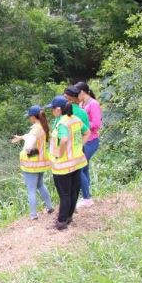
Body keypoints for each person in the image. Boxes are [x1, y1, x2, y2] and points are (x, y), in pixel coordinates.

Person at [46, 96, 89, 230]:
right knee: (73, 190)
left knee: (64, 193)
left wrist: (60, 153)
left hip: (63, 164)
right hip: (76, 162)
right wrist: (79, 145)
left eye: (52, 109)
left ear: (58, 109)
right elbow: (87, 132)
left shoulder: (63, 123)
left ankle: (62, 221)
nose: (52, 111)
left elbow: (64, 140)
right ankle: (69, 216)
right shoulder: (75, 119)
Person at [12, 105, 54, 220]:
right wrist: (22, 137)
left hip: (31, 165)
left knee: (31, 189)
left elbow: (29, 146)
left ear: (33, 117)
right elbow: (40, 139)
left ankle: (33, 215)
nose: (29, 118)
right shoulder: (44, 126)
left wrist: (27, 150)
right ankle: (50, 207)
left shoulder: (35, 129)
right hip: (41, 163)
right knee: (40, 185)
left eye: (29, 116)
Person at [74, 81, 102, 207]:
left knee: (78, 168)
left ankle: (87, 198)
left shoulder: (93, 104)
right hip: (82, 141)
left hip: (91, 140)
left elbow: (96, 124)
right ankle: (86, 195)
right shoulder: (81, 104)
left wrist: (79, 125)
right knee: (84, 168)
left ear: (82, 92)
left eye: (76, 93)